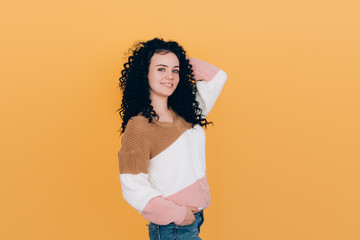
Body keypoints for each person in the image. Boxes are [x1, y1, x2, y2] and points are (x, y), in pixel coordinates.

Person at [117, 37, 227, 240]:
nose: (170, 76)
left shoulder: (186, 113)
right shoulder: (139, 127)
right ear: (145, 73)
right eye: (161, 69)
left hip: (194, 222)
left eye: (175, 70)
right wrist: (176, 214)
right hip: (172, 228)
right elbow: (132, 186)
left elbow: (216, 77)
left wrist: (180, 61)